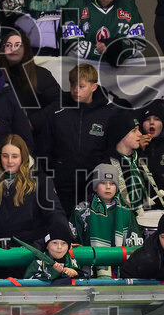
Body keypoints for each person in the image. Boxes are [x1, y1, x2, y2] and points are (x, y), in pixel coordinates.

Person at [38, 64, 115, 211]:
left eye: (81, 86)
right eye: (73, 85)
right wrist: (48, 181)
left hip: (94, 185)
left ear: (94, 87)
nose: (75, 90)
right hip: (61, 186)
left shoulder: (107, 115)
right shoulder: (58, 111)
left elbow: (111, 153)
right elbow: (44, 150)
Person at [60, 0, 145, 65]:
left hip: (121, 76)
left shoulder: (129, 6)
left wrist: (115, 46)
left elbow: (139, 44)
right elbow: (73, 48)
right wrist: (110, 53)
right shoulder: (74, 7)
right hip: (83, 74)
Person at [70, 162, 144, 278]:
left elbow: (135, 245)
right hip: (88, 272)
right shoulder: (82, 211)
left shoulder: (126, 212)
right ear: (95, 186)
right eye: (103, 183)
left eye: (112, 183)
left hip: (120, 273)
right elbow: (73, 241)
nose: (108, 187)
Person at [0, 27, 61, 132]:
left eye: (18, 45)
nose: (13, 49)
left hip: (35, 135)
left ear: (26, 48)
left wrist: (34, 121)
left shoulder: (41, 74)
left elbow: (59, 102)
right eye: (8, 45)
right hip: (0, 132)